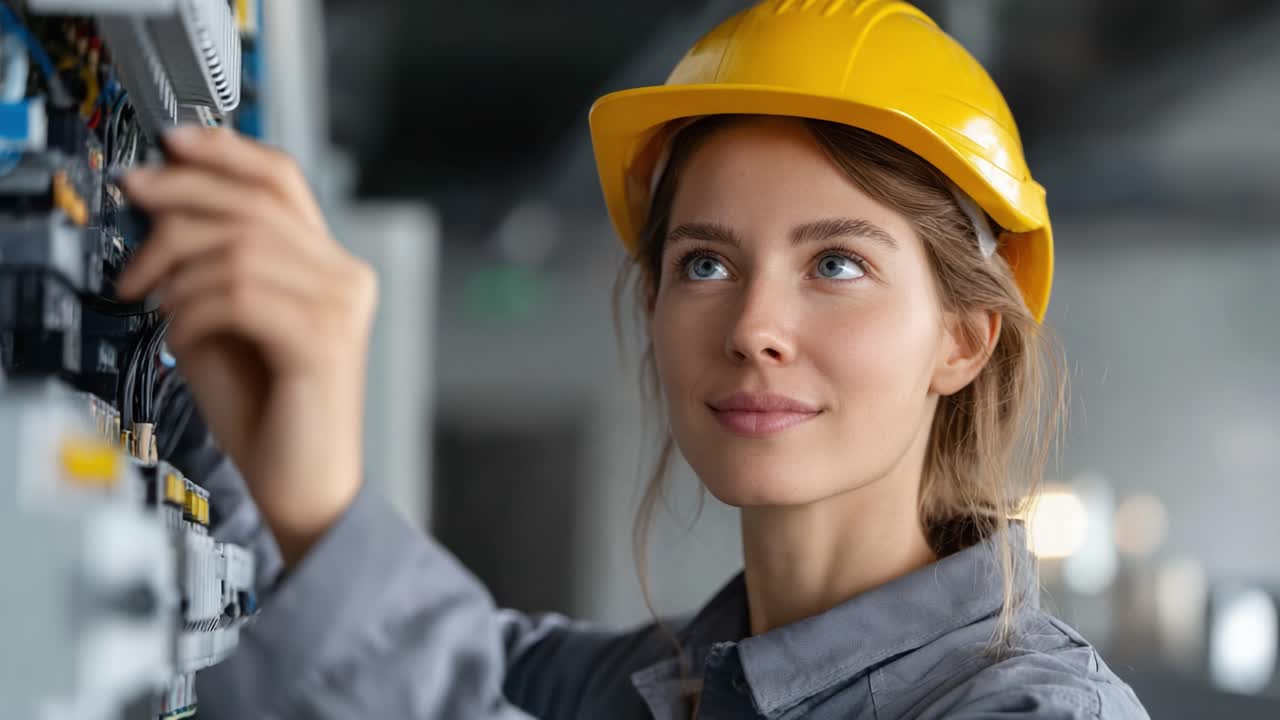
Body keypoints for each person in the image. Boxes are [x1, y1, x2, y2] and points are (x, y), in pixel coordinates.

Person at [116, 1, 1150, 718]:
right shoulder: (662, 687)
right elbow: (421, 645)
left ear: (962, 339)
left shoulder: (1034, 711)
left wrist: (321, 504)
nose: (753, 325)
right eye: (705, 262)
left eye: (836, 264)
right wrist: (202, 391)